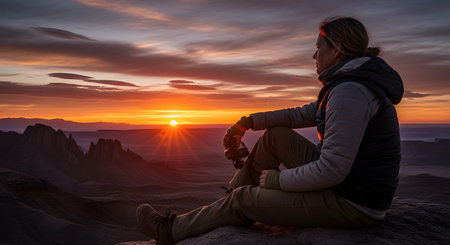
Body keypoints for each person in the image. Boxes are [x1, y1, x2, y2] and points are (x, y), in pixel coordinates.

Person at [136, 16, 404, 245]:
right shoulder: (349, 85)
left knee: (244, 199)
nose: (314, 55)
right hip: (350, 186)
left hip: (353, 202)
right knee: (275, 135)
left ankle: (172, 231)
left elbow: (332, 169)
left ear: (337, 51)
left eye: (318, 47)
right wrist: (248, 122)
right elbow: (303, 114)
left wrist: (277, 182)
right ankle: (229, 206)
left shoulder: (350, 92)